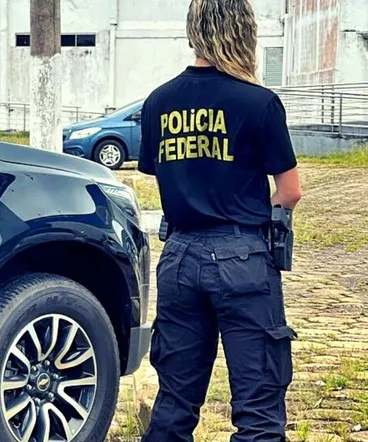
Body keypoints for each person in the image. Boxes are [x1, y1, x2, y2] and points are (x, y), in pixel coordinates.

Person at [138, 0, 303, 441]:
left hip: (178, 258)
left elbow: (161, 174)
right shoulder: (260, 102)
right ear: (243, 30)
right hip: (242, 260)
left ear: (195, 30)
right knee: (259, 409)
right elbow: (290, 191)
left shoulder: (158, 102)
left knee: (174, 403)